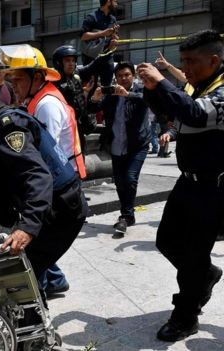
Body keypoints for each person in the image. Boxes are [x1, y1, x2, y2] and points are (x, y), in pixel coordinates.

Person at [0, 74, 88, 306]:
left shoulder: (8, 126)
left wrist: (28, 227)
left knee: (18, 277)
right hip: (53, 205)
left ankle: (32, 336)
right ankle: (33, 326)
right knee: (23, 275)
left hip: (61, 210)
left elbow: (37, 176)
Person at [137, 29, 224, 342]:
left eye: (191, 61)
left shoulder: (221, 90)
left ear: (214, 60)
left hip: (214, 190)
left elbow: (196, 115)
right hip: (187, 182)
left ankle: (185, 316)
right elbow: (172, 114)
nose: (184, 68)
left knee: (194, 255)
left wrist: (161, 82)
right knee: (167, 241)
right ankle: (205, 277)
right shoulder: (198, 85)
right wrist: (151, 89)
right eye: (182, 61)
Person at [0, 44, 87, 296]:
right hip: (51, 184)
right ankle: (52, 281)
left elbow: (39, 156)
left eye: (18, 80)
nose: (14, 86)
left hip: (58, 186)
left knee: (33, 252)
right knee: (39, 248)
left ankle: (39, 291)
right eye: (11, 80)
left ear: (37, 77)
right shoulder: (35, 99)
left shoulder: (46, 104)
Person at [89, 62, 151, 236]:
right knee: (119, 181)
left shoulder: (140, 90)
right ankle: (128, 215)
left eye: (127, 75)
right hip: (116, 145)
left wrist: (128, 94)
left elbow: (146, 99)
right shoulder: (112, 95)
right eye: (120, 76)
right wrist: (95, 96)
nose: (123, 79)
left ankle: (125, 216)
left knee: (130, 178)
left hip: (137, 145)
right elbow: (92, 109)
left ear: (133, 76)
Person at [52, 44, 107, 152]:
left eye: (73, 60)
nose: (71, 63)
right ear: (58, 62)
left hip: (79, 128)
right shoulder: (53, 82)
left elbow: (94, 65)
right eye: (67, 60)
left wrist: (107, 49)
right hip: (63, 130)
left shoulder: (76, 75)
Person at [80, 0, 119, 87]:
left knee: (107, 86)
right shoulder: (92, 17)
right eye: (115, 1)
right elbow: (83, 36)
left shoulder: (113, 19)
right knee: (90, 86)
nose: (117, 3)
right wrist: (103, 33)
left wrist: (114, 38)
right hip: (91, 58)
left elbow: (115, 37)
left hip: (107, 56)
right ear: (108, 2)